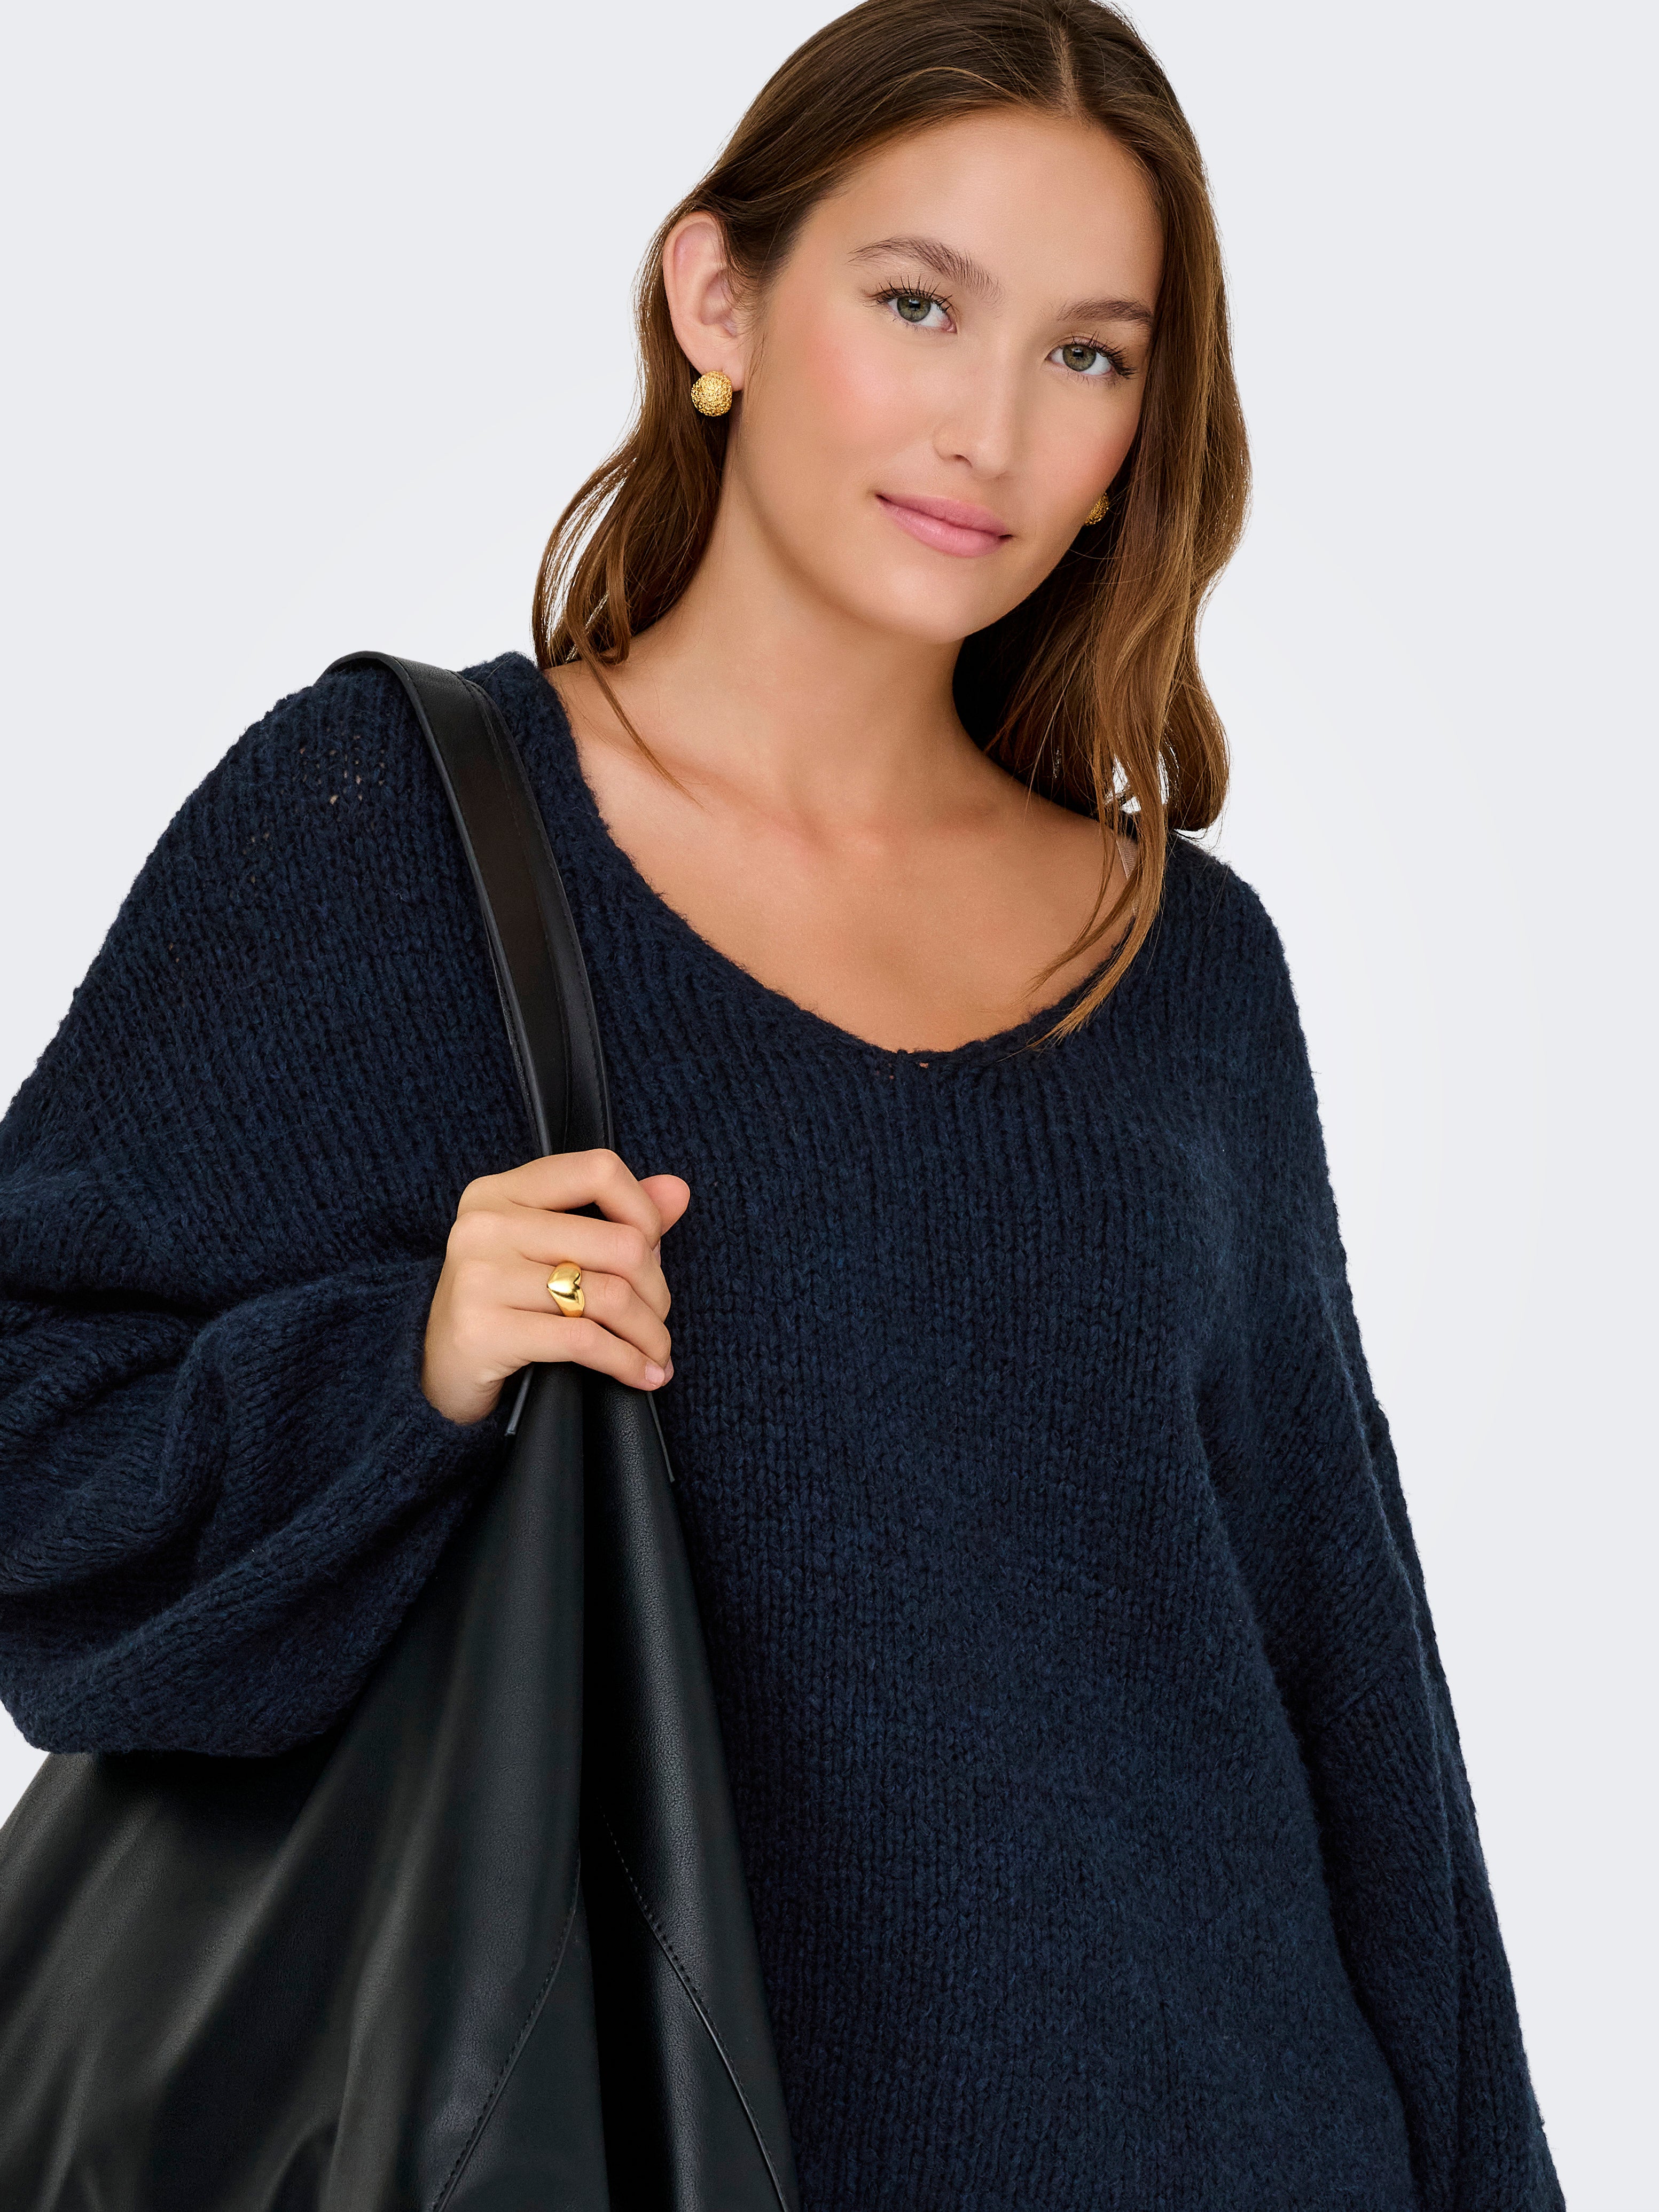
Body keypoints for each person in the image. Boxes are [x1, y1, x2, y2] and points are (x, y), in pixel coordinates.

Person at [0, 1, 1563, 2203]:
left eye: (1089, 354)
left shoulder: (1185, 963)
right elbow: (35, 1443)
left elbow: (1349, 1675)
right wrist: (408, 1366)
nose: (990, 429)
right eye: (918, 303)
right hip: (667, 2143)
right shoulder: (390, 838)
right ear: (716, 299)